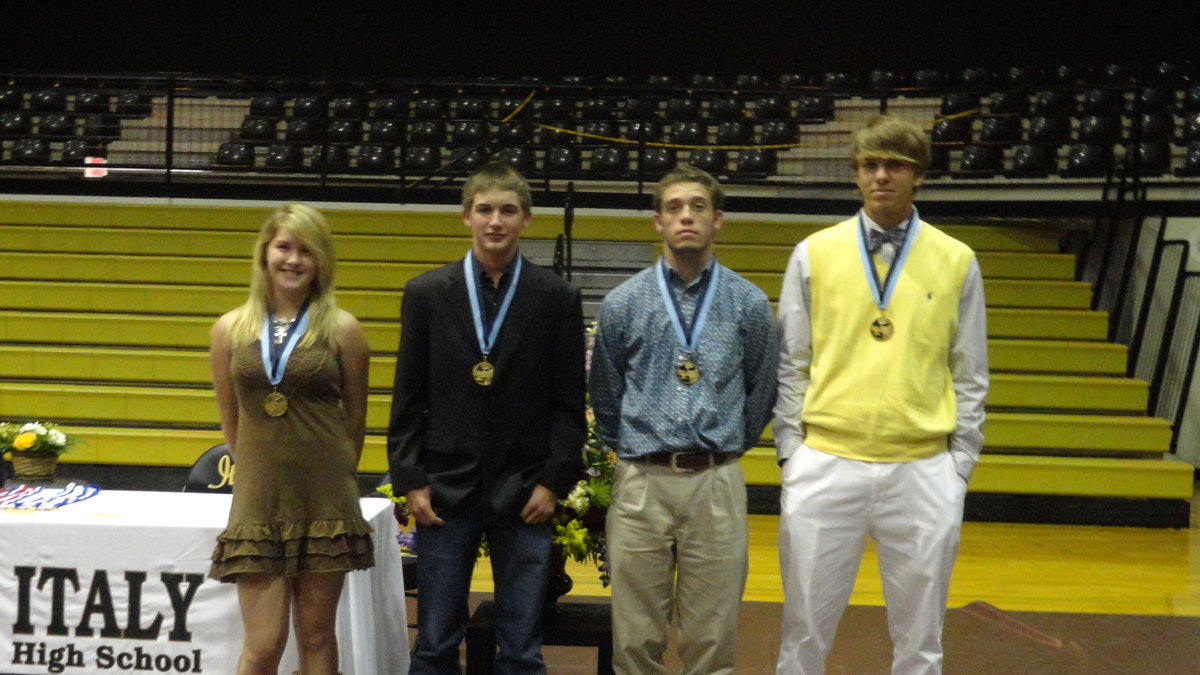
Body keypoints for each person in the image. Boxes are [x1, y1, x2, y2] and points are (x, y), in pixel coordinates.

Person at [773, 114, 989, 674]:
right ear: (856, 175)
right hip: (826, 462)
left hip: (921, 468)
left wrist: (958, 465)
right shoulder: (813, 252)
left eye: (895, 165)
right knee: (802, 635)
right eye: (870, 165)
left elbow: (969, 372)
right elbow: (791, 362)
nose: (881, 176)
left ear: (918, 175)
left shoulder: (957, 258)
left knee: (921, 642)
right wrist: (793, 456)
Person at [387, 163, 587, 674]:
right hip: (444, 485)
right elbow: (408, 398)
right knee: (433, 641)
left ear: (527, 220)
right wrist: (410, 479)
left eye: (507, 210)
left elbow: (568, 402)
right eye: (485, 210)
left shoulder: (555, 298)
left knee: (521, 647)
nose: (495, 220)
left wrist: (553, 481)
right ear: (465, 217)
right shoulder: (427, 294)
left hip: (525, 489)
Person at [589, 164, 779, 674]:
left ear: (718, 220)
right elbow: (605, 395)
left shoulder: (750, 304)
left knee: (712, 639)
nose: (686, 217)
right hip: (641, 482)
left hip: (716, 480)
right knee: (634, 639)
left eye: (697, 207)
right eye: (674, 208)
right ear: (658, 222)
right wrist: (631, 451)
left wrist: (729, 445)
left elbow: (763, 390)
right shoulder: (623, 303)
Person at [209, 203, 374, 675]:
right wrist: (263, 471)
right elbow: (232, 423)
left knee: (318, 636)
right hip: (259, 500)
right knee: (262, 644)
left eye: (307, 249)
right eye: (284, 246)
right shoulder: (228, 331)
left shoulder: (345, 330)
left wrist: (330, 476)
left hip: (326, 498)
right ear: (264, 254)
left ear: (322, 260)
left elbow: (355, 424)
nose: (294, 259)